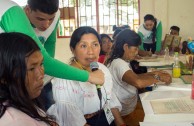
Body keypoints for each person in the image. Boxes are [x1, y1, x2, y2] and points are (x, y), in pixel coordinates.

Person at [0, 0, 104, 86]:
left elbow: (50, 45)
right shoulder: (12, 13)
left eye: (51, 19)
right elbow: (44, 60)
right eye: (40, 19)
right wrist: (89, 76)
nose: (46, 25)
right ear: (28, 10)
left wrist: (43, 78)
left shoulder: (56, 14)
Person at [47, 26, 125, 126]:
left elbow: (110, 98)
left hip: (105, 116)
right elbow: (73, 121)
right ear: (73, 49)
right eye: (84, 46)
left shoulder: (102, 69)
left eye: (95, 45)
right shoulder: (64, 80)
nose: (91, 51)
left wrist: (121, 123)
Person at [105, 29, 172, 126]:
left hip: (129, 107)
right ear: (126, 47)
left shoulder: (120, 60)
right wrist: (158, 77)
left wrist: (153, 73)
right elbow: (138, 82)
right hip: (126, 114)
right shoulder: (119, 64)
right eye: (135, 49)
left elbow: (133, 77)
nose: (137, 52)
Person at [0, 32, 58, 126]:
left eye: (41, 64)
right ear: (4, 76)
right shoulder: (16, 122)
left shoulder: (23, 101)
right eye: (31, 68)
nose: (41, 75)